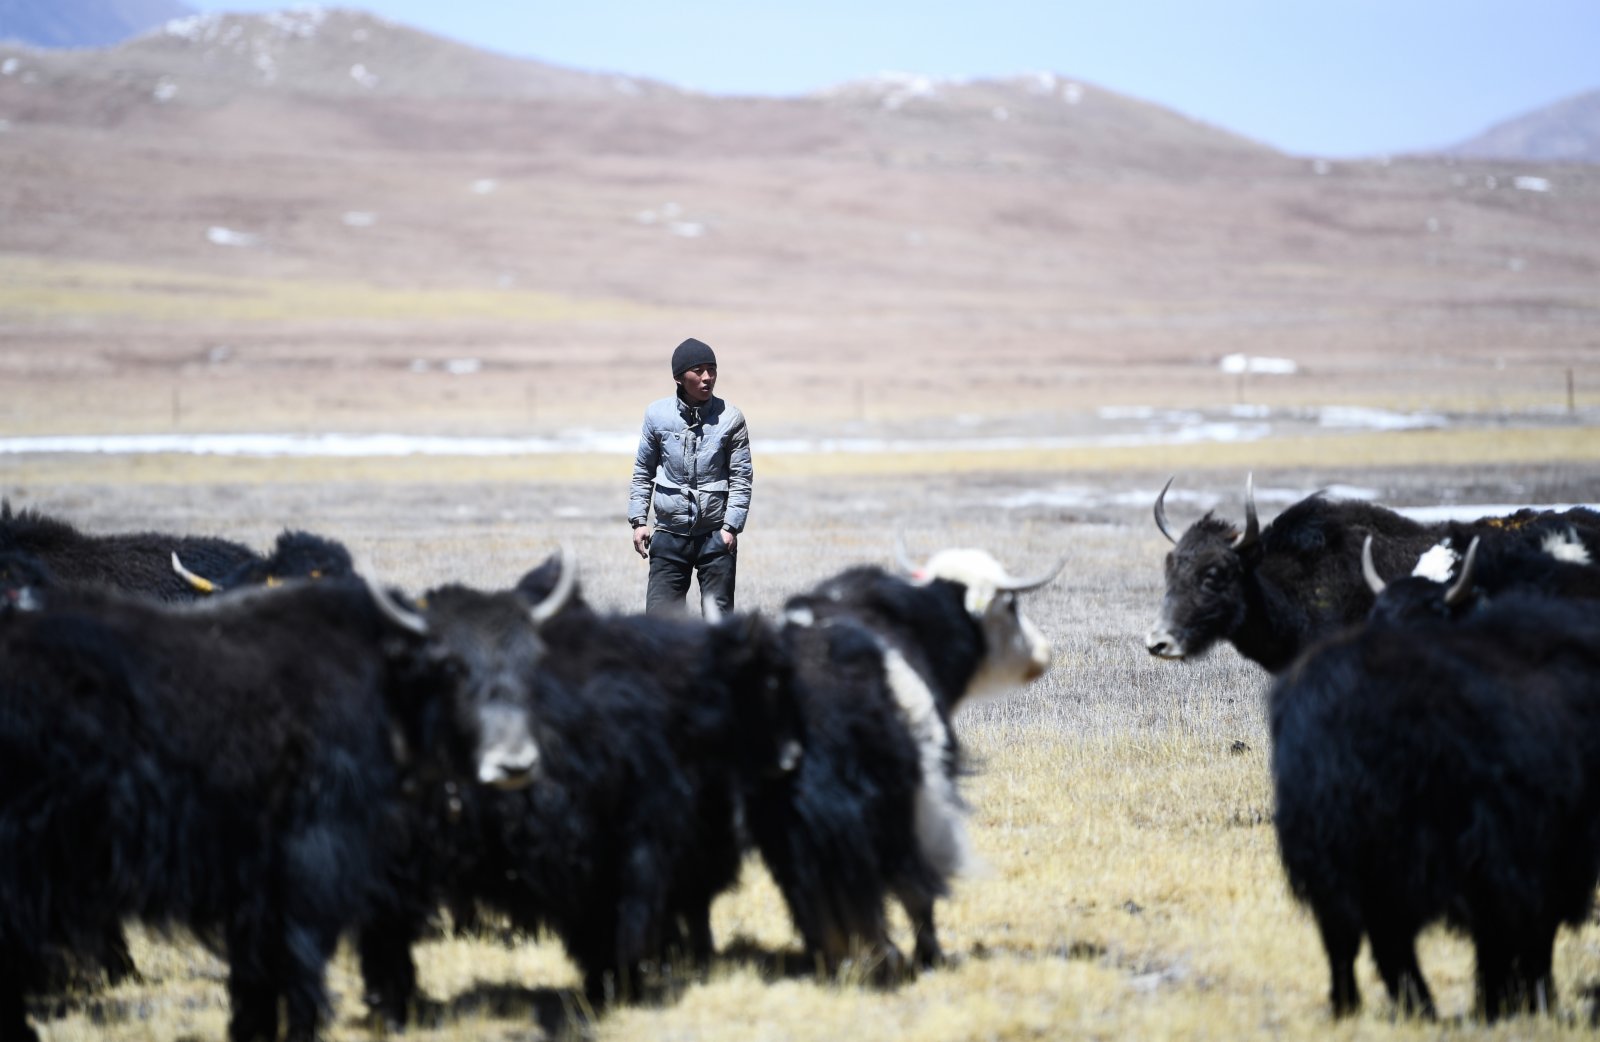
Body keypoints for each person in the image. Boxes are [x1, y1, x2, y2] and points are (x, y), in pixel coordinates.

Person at [629, 337, 752, 615]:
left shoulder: (731, 418)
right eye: (698, 371)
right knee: (660, 623)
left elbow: (741, 478)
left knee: (718, 625)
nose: (708, 378)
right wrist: (639, 521)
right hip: (669, 534)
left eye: (712, 369)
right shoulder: (657, 416)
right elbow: (643, 471)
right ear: (678, 377)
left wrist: (730, 529)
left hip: (715, 535)